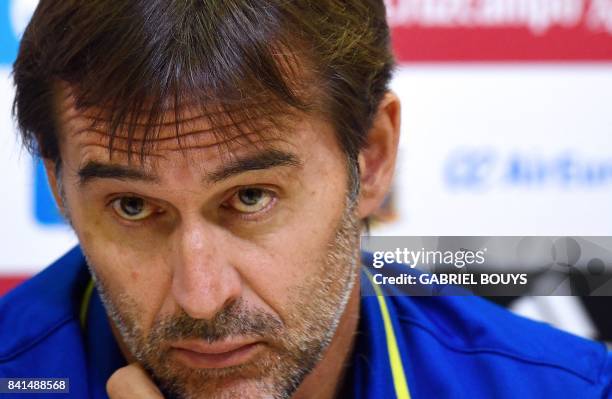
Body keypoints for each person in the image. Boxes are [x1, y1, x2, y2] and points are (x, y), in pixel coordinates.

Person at [1, 1, 611, 398]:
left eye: (250, 197)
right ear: (59, 187)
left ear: (370, 158)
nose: (202, 295)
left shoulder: (561, 389)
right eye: (133, 206)